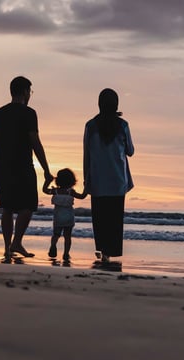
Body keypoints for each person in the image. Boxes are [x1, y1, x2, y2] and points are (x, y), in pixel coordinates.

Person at [0, 76, 54, 259]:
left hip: (3, 167)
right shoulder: (29, 113)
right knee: (28, 205)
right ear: (25, 91)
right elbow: (35, 142)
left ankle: (7, 247)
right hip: (23, 166)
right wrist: (46, 170)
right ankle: (16, 242)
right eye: (30, 91)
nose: (30, 95)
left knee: (7, 208)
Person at [83, 88, 134, 265]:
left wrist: (86, 180)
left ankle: (103, 251)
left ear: (99, 104)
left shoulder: (90, 126)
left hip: (97, 180)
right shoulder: (123, 125)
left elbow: (86, 155)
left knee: (100, 218)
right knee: (114, 218)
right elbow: (131, 151)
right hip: (117, 180)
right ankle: (110, 251)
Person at [42, 168, 87, 261]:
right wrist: (87, 187)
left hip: (58, 217)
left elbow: (45, 190)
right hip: (68, 217)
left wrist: (47, 181)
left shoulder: (56, 191)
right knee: (67, 236)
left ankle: (53, 245)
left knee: (56, 234)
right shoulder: (71, 192)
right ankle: (66, 253)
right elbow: (82, 196)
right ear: (72, 181)